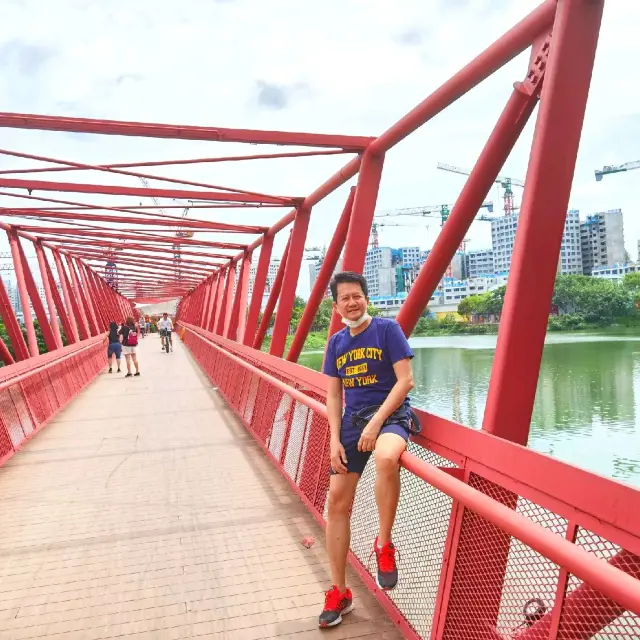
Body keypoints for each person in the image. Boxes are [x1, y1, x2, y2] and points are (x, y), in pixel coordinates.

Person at [318, 271, 415, 629]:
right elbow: (332, 395)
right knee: (336, 502)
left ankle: (383, 543)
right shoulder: (337, 343)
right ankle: (339, 591)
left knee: (388, 458)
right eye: (345, 298)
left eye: (357, 295)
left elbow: (406, 380)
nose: (352, 302)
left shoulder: (387, 330)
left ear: (366, 298)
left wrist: (377, 423)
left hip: (390, 417)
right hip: (351, 424)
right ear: (336, 304)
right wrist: (333, 439)